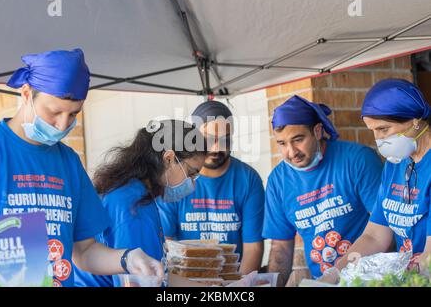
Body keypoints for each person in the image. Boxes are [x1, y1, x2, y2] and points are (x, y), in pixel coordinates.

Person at [0, 49, 163, 287]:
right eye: (54, 112)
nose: (63, 124)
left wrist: (127, 258)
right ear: (26, 94)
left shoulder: (68, 162)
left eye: (74, 114)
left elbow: (85, 251)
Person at [318, 79, 431, 284]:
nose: (379, 140)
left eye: (384, 129)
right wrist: (335, 273)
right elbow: (375, 235)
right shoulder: (395, 165)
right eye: (373, 131)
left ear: (415, 120)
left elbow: (430, 257)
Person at [262, 95, 383, 286]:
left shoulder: (358, 160)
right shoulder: (278, 181)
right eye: (282, 144)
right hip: (322, 281)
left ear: (317, 131)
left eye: (298, 139)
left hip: (373, 277)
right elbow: (281, 248)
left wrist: (339, 272)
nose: (291, 152)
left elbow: (384, 228)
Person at [74, 119, 206, 286]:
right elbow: (138, 281)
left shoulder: (132, 192)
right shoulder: (133, 206)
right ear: (169, 159)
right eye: (191, 173)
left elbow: (158, 274)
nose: (192, 183)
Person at [157, 100, 265, 274]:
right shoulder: (175, 176)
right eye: (208, 139)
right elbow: (165, 242)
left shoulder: (248, 179)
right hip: (185, 282)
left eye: (225, 140)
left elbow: (253, 247)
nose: (216, 148)